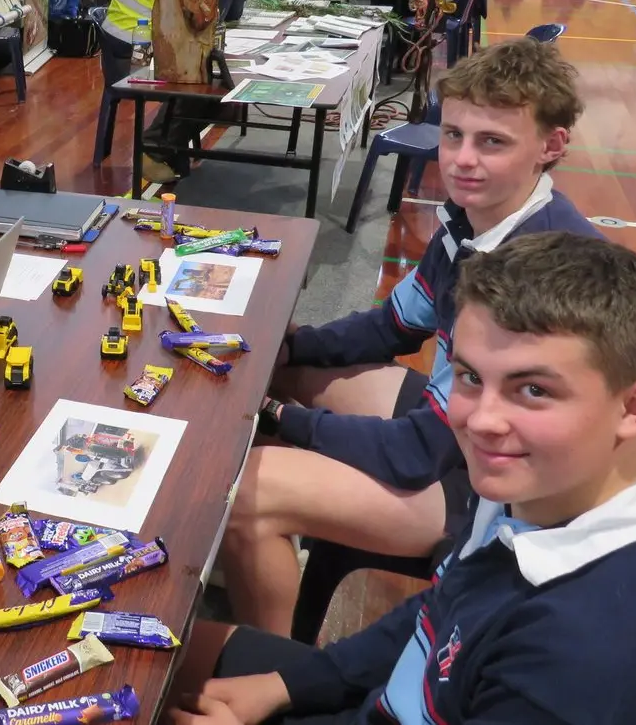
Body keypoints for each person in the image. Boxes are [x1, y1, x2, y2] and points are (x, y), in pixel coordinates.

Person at [170, 232, 636, 725]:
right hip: (391, 698)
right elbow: (437, 618)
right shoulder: (547, 491)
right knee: (157, 645)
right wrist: (285, 685)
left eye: (533, 389)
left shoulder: (581, 660)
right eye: (469, 376)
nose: (480, 422)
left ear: (634, 408)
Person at [218, 39, 601, 636]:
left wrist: (276, 416)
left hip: (495, 499)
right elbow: (393, 325)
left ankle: (271, 667)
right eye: (453, 135)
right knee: (283, 369)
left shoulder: (536, 279)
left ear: (550, 147)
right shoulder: (476, 220)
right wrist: (288, 347)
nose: (462, 160)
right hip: (459, 432)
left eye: (492, 142)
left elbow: (418, 452)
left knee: (244, 491)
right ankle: (270, 552)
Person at [102, 0, 242, 183]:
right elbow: (217, 15)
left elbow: (224, 13)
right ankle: (151, 151)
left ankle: (168, 146)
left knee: (212, 83)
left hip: (142, 41)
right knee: (199, 80)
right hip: (131, 52)